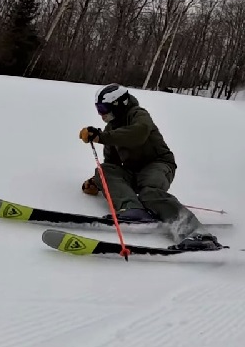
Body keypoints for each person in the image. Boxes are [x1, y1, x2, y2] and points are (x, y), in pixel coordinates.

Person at [78, 83, 225, 251]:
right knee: (104, 170)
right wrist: (99, 181)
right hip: (134, 171)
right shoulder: (111, 129)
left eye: (104, 108)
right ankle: (132, 210)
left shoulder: (138, 115)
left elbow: (139, 133)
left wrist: (102, 137)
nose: (101, 114)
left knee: (149, 191)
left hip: (159, 164)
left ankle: (198, 235)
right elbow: (112, 165)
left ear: (119, 104)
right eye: (98, 109)